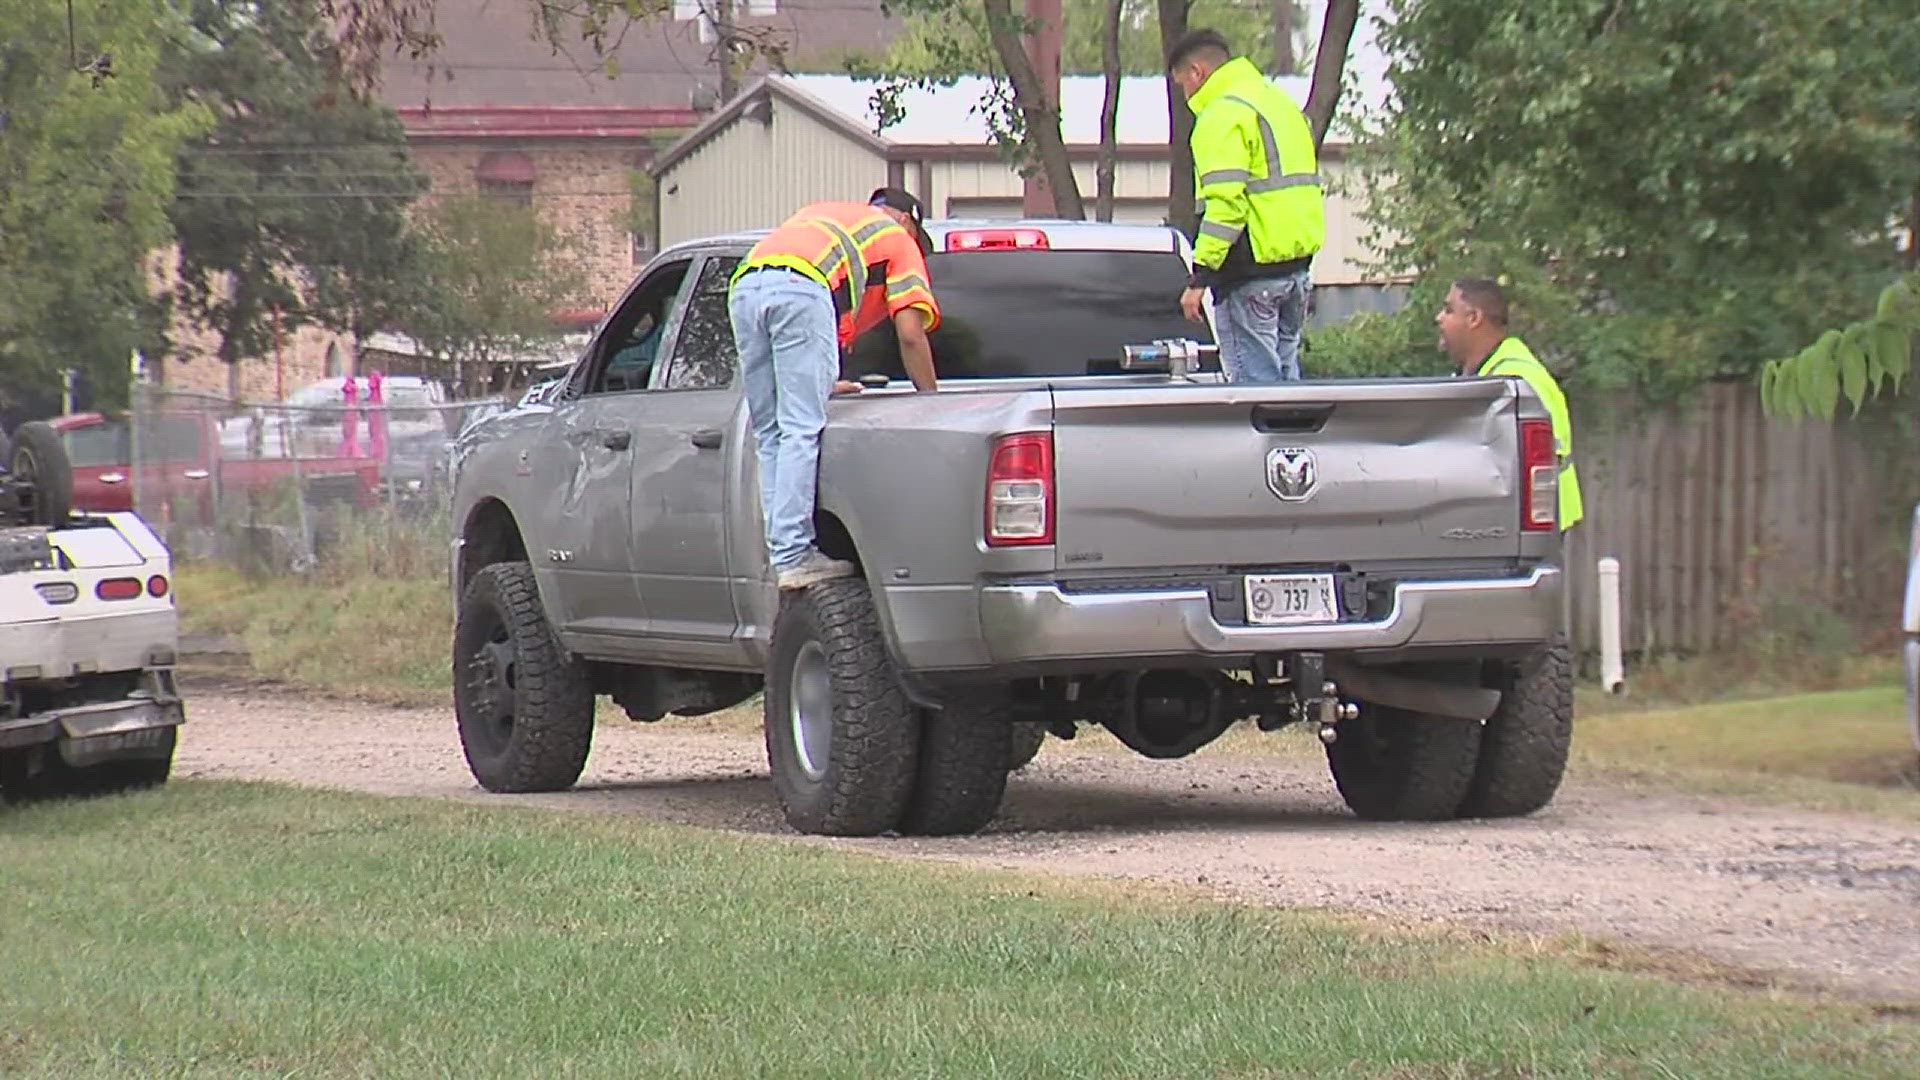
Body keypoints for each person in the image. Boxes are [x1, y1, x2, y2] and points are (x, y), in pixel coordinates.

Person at [728, 187, 941, 590]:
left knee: (771, 431)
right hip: (800, 289)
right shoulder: (898, 237)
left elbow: (822, 316)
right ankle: (794, 555)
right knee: (800, 428)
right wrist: (931, 401)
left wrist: (820, 382)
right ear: (909, 221)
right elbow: (911, 335)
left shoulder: (830, 215)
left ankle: (780, 553)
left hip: (746, 286)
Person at [1166, 28, 1326, 383]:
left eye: (1182, 84)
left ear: (1197, 72)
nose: (1186, 93)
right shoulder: (1278, 103)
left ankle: (1269, 441)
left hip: (1250, 273)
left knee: (1256, 390)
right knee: (1287, 382)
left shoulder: (1221, 115)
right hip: (1295, 270)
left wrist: (1200, 276)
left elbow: (1226, 207)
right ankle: (1295, 440)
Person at [1435, 278, 1585, 531]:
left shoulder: (1517, 381)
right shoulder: (1486, 374)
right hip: (1511, 524)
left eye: (1449, 310)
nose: (1439, 318)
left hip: (1531, 527)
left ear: (1474, 318)